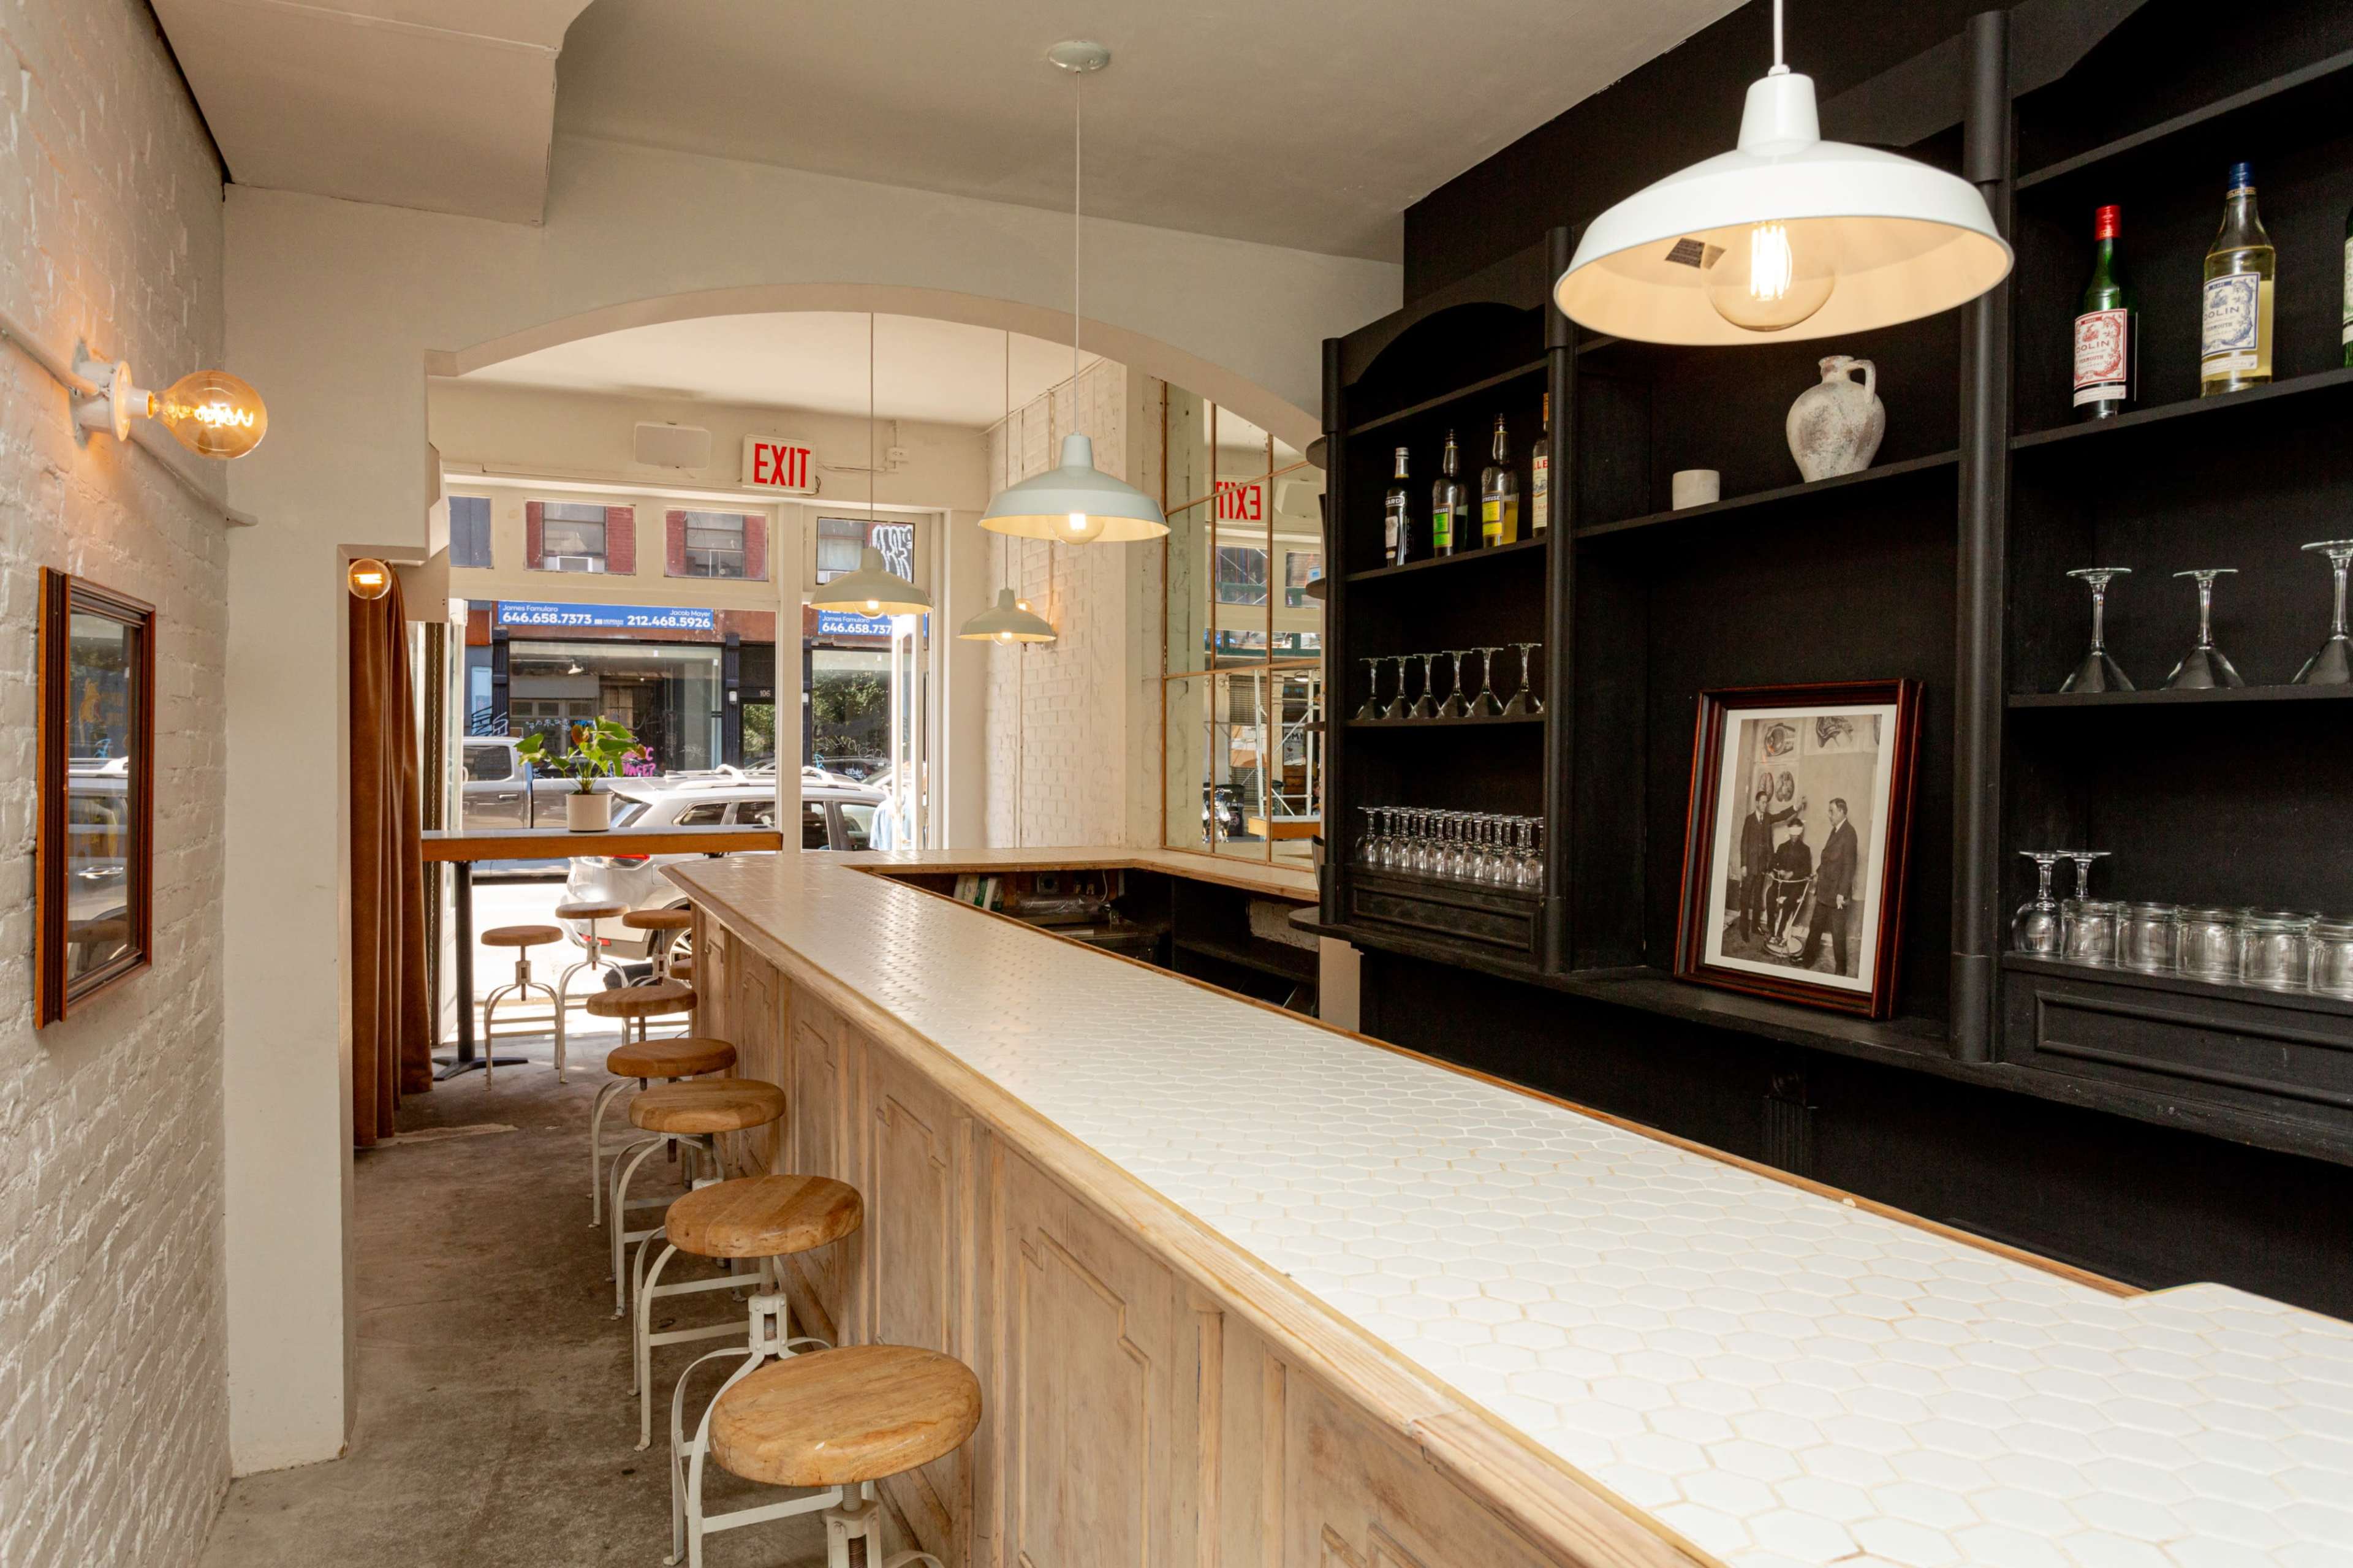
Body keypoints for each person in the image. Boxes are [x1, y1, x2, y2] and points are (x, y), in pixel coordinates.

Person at [1737, 785, 1806, 940]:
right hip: (1750, 866)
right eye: (1762, 802)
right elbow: (1744, 844)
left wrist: (1797, 806)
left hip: (1763, 867)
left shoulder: (1768, 818)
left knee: (1757, 899)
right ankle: (1743, 930)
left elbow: (1782, 815)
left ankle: (1755, 927)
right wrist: (1744, 865)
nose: (1765, 805)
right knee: (1745, 898)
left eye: (1766, 802)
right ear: (1756, 803)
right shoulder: (1749, 820)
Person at [1803, 797, 1859, 974]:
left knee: (1838, 933)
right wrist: (1817, 872)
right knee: (1816, 926)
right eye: (1829, 811)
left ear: (1843, 812)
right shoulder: (1836, 831)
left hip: (1836, 895)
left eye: (1832, 812)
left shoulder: (1849, 833)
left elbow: (1850, 867)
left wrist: (1842, 894)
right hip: (1824, 891)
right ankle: (1807, 959)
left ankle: (1840, 971)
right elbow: (1828, 860)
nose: (1829, 815)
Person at [1767, 818, 1813, 948]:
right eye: (1792, 832)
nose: (1794, 836)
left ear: (1801, 833)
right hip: (1782, 884)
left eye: (1797, 832)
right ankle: (1771, 929)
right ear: (1789, 832)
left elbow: (1807, 870)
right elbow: (1772, 864)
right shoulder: (1782, 847)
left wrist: (1792, 873)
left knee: (1789, 902)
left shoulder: (1805, 850)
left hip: (1796, 886)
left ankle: (1780, 933)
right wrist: (1777, 870)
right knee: (1770, 893)